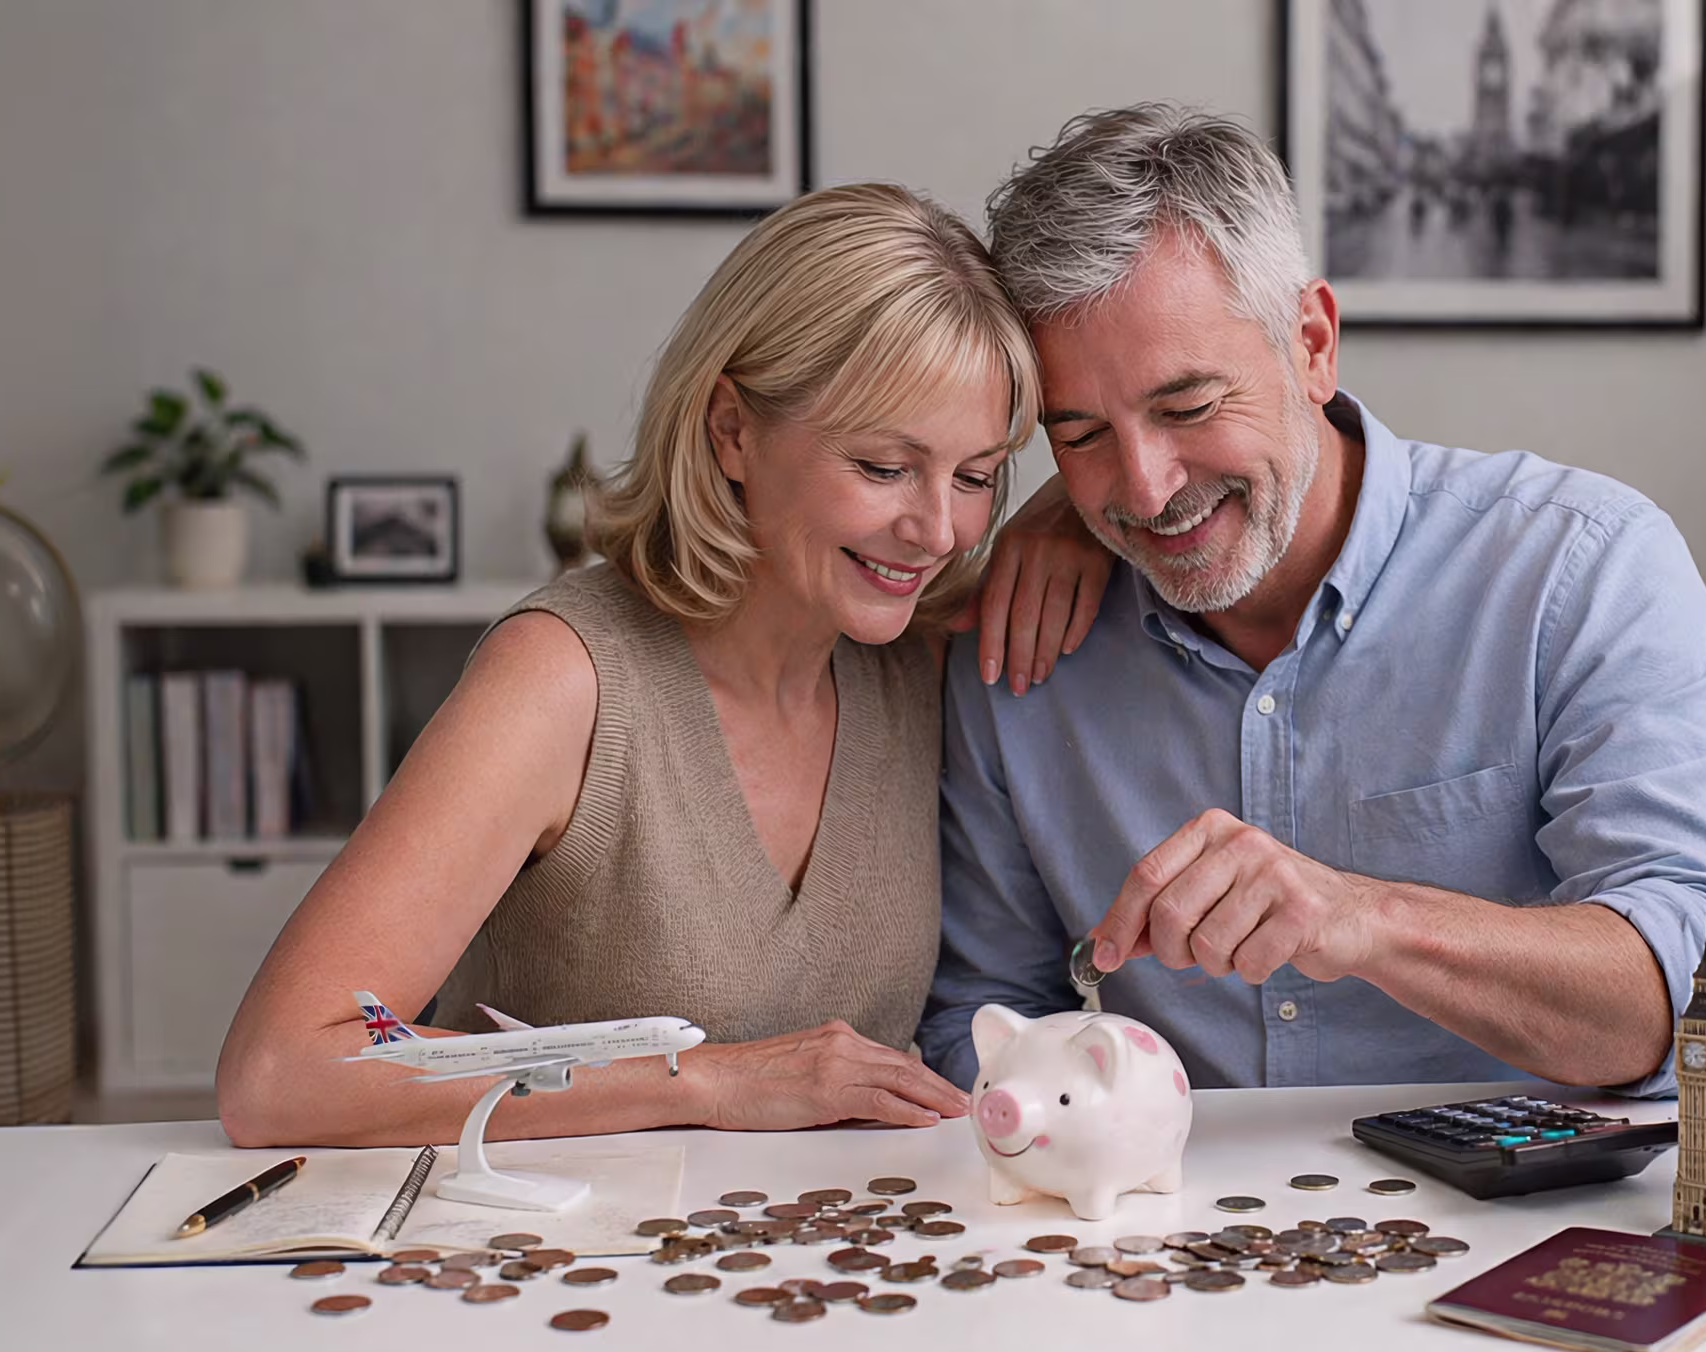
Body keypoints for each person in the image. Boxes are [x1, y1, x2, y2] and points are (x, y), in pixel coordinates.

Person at [218, 183, 1108, 1147]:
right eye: (884, 469)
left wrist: (1071, 513)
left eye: (975, 477)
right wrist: (707, 1084)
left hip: (846, 1267)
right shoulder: (563, 680)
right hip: (573, 1274)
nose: (938, 530)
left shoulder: (923, 658)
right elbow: (284, 1071)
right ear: (732, 429)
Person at [917, 106, 1706, 1098]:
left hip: (1541, 1230)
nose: (1146, 489)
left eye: (1187, 407)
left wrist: (1369, 919)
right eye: (1080, 434)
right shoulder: (1023, 646)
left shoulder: (1579, 572)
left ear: (1312, 344)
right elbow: (980, 1018)